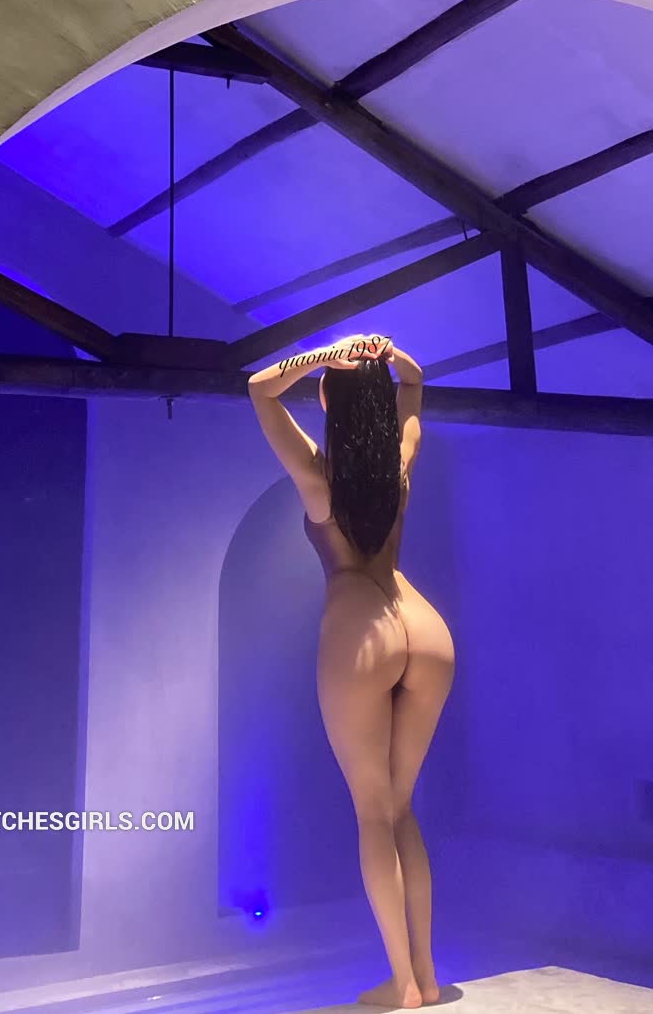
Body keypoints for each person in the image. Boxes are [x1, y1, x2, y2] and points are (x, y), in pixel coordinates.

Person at [248, 330, 455, 1010]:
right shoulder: (398, 467)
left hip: (360, 628)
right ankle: (427, 975)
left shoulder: (320, 479)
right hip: (422, 624)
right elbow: (415, 384)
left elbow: (258, 388)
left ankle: (402, 984)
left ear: (328, 401)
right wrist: (390, 357)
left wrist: (322, 354)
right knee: (401, 808)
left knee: (372, 811)